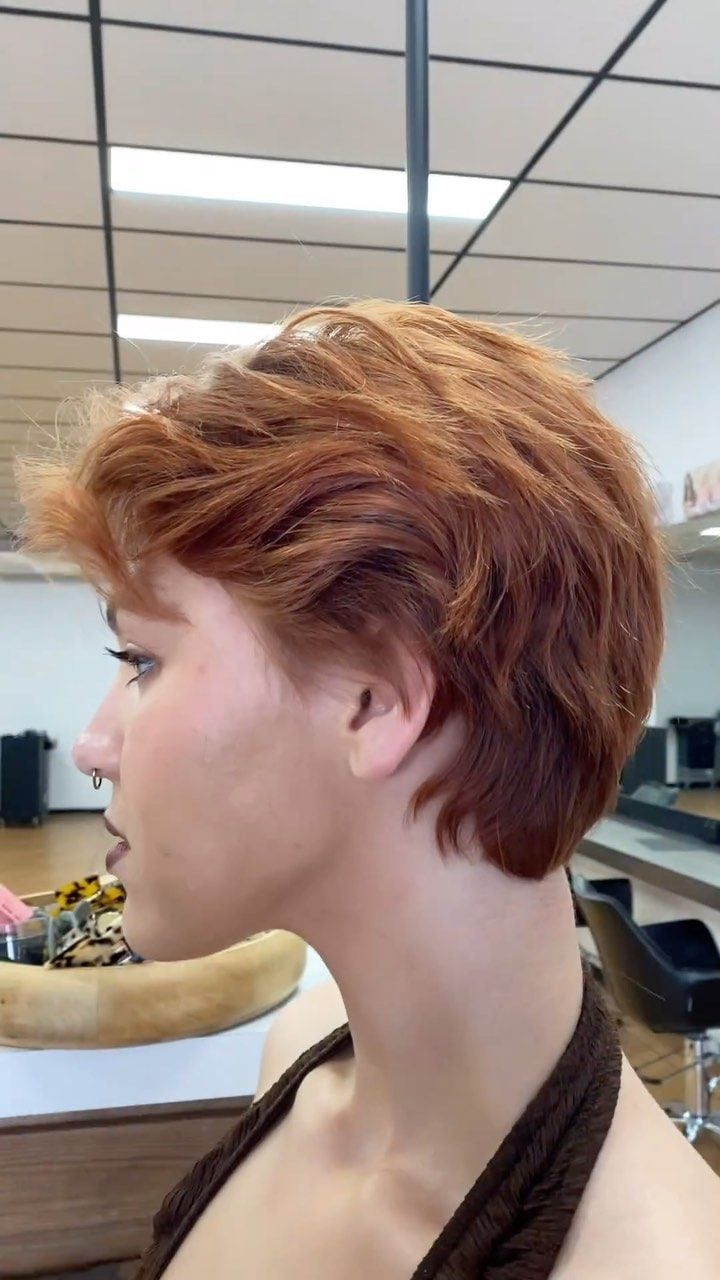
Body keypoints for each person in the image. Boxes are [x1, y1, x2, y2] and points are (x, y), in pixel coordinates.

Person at [16, 302, 719, 1278]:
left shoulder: (652, 1259)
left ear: (375, 700)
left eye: (142, 657)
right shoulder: (301, 1051)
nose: (93, 745)